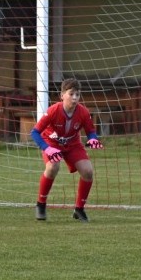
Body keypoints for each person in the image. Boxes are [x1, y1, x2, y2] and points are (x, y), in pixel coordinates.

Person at [31, 78, 103, 222]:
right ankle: (41, 204)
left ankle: (79, 209)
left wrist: (93, 139)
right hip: (52, 143)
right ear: (62, 95)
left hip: (73, 144)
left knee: (88, 171)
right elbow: (34, 132)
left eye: (77, 94)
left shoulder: (83, 112)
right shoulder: (53, 111)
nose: (75, 98)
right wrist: (47, 148)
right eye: (71, 94)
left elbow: (90, 131)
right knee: (52, 167)